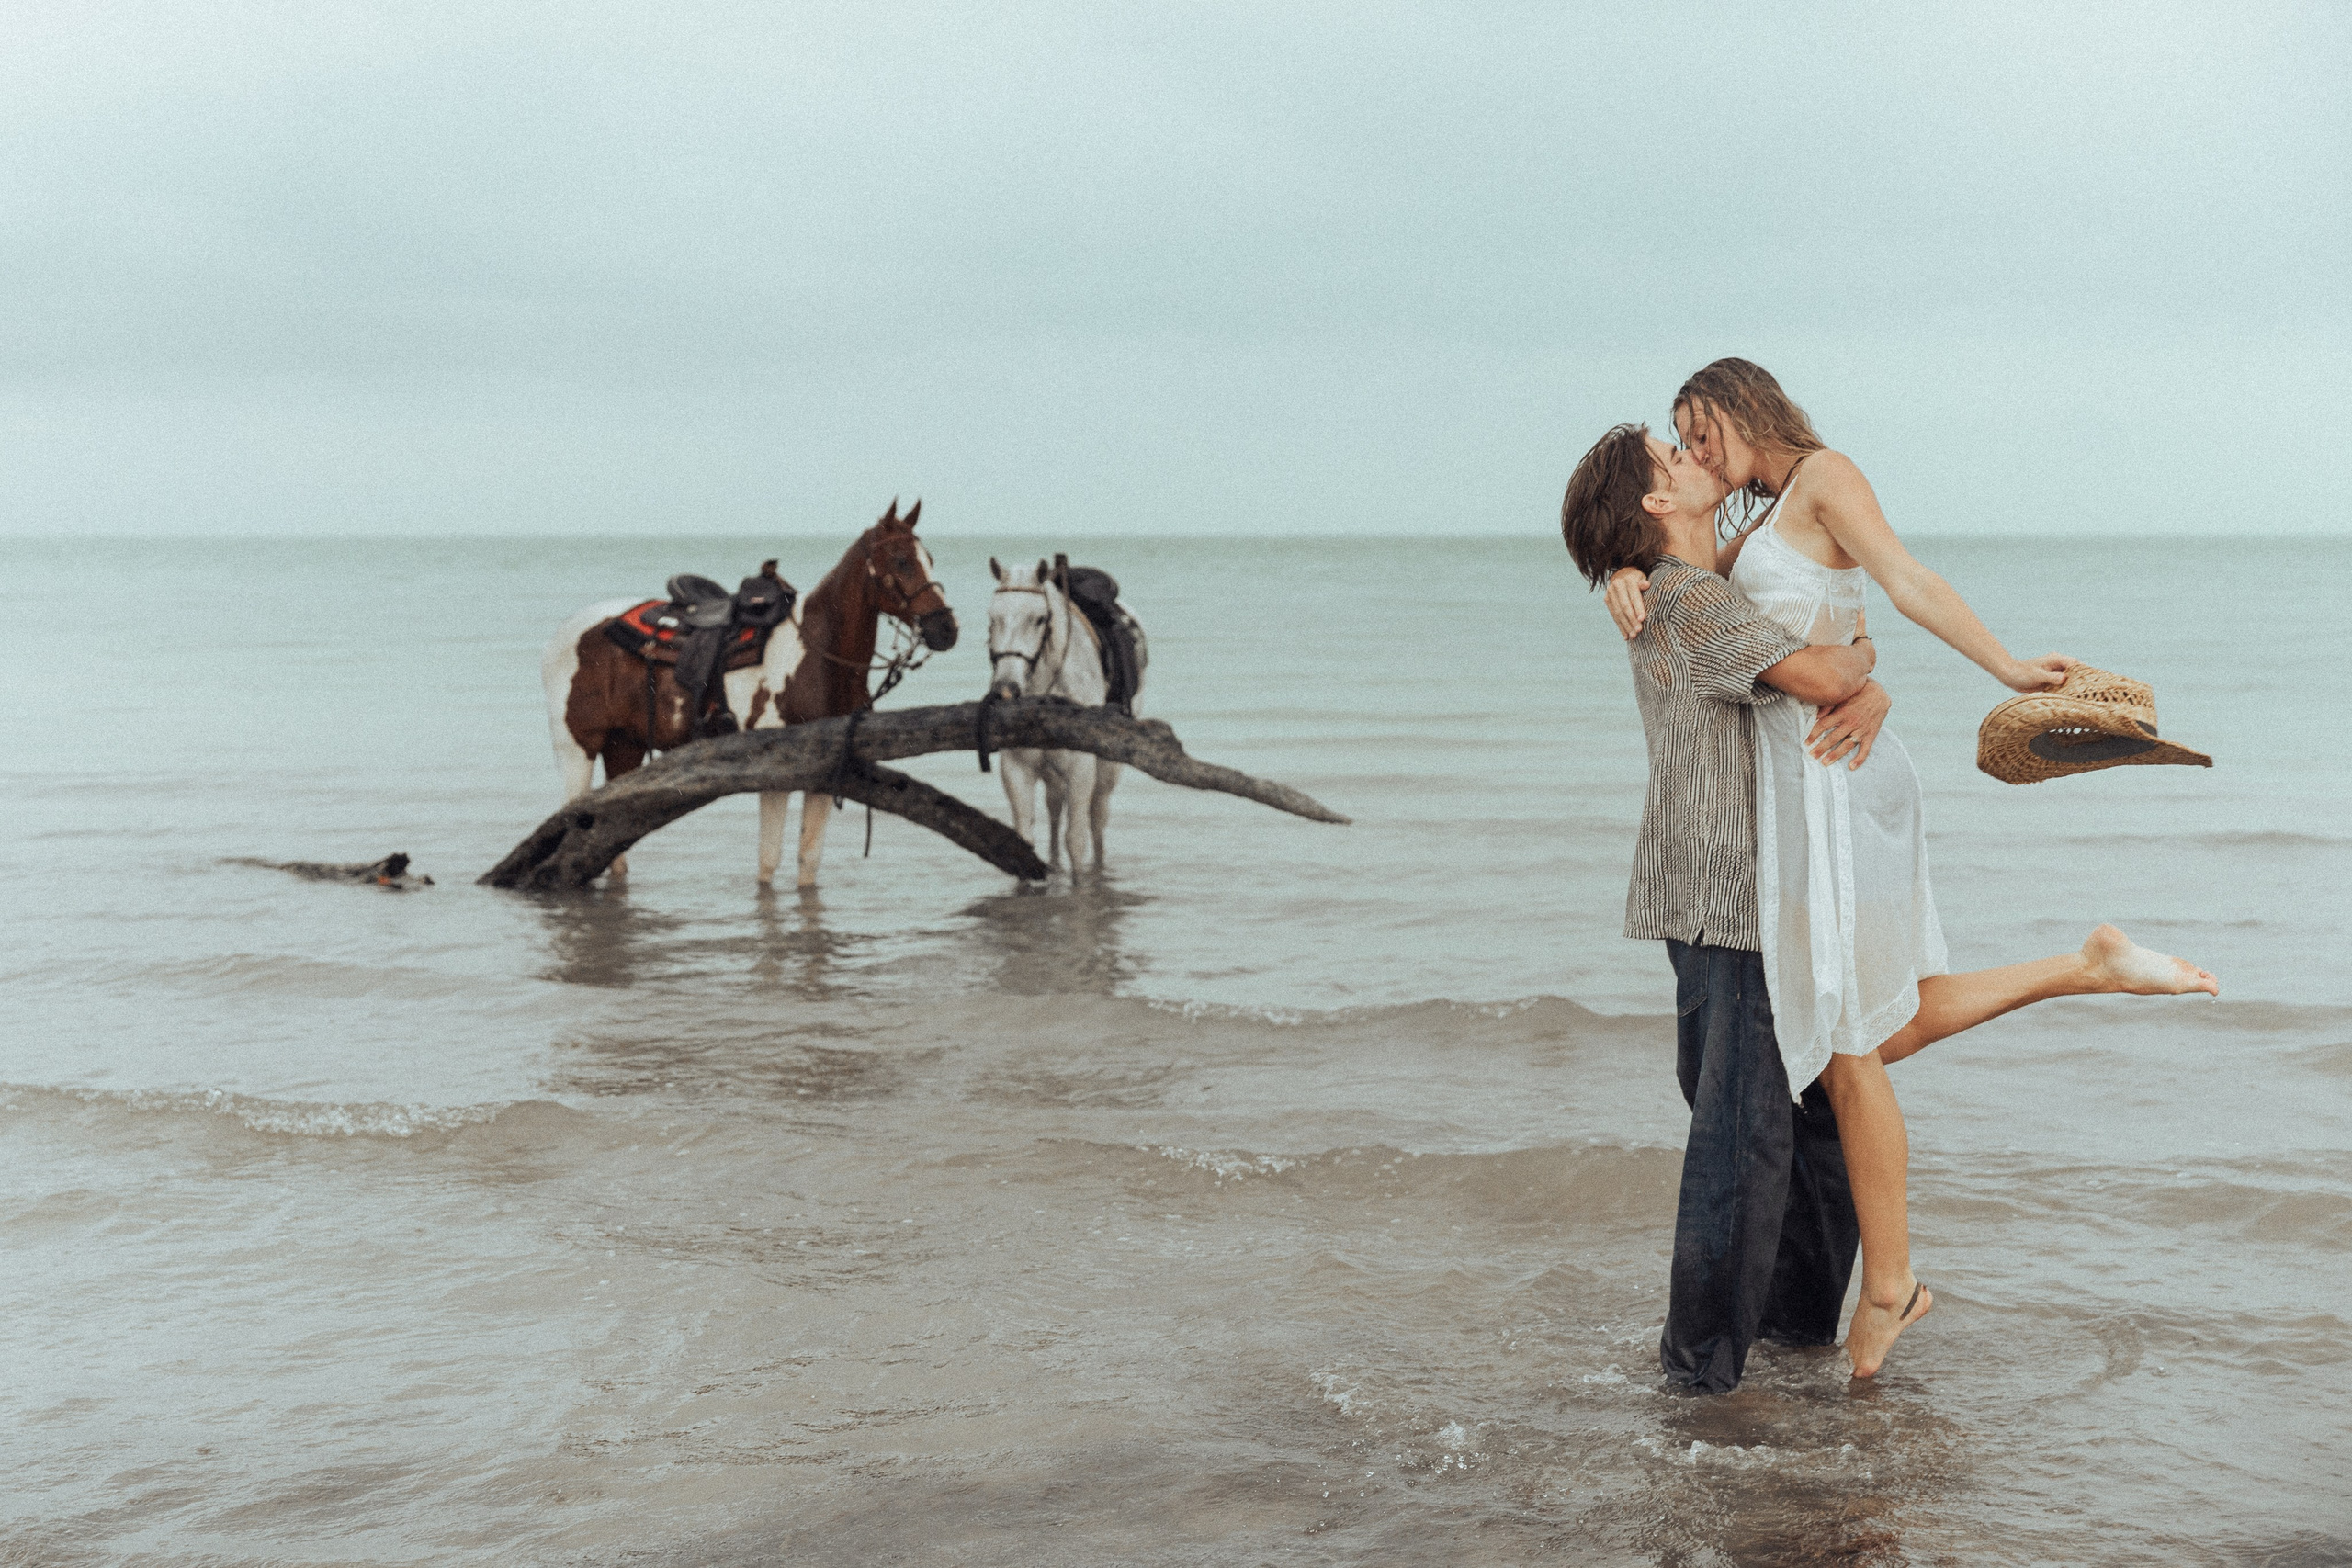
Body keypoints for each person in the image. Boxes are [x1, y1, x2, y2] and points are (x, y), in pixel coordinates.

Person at [1561, 419, 2218, 1390]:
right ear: (1657, 503)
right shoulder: (1684, 591)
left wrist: (1867, 688)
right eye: (1674, 456)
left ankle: (1793, 1337)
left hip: (1747, 892)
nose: (1694, 456)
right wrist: (1860, 666)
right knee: (1745, 1139)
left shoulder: (1702, 582)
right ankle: (1698, 1377)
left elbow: (1804, 654)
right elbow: (1821, 670)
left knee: (1816, 1097)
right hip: (1730, 899)